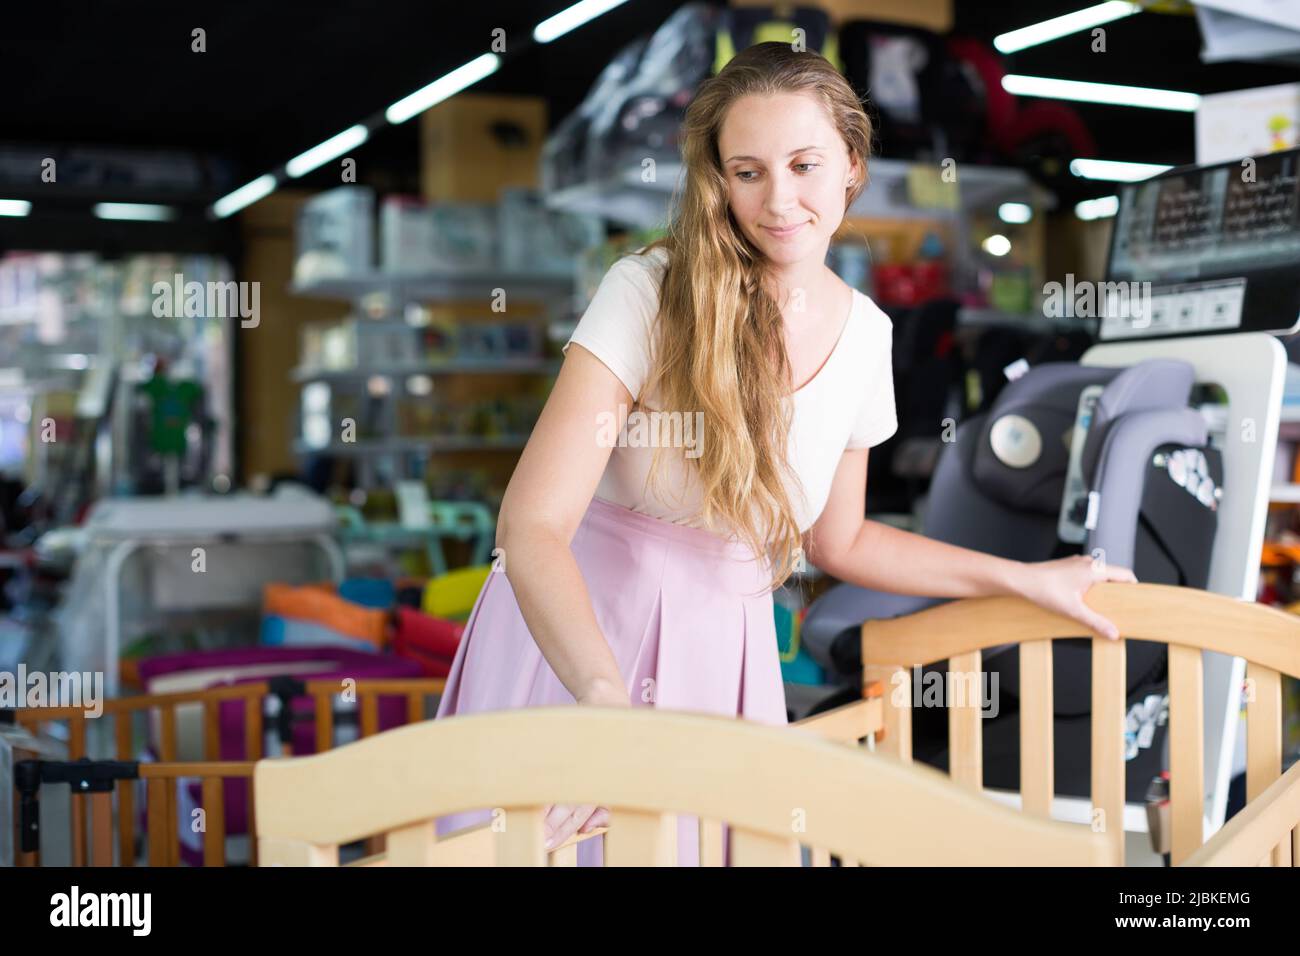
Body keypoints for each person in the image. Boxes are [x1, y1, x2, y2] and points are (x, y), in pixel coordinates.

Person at [433, 41, 1136, 865]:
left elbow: (840, 542)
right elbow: (531, 525)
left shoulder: (869, 337)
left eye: (804, 164)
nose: (780, 200)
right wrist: (598, 697)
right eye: (748, 171)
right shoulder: (649, 292)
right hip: (582, 642)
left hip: (725, 654)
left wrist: (1025, 578)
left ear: (851, 166)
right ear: (718, 180)